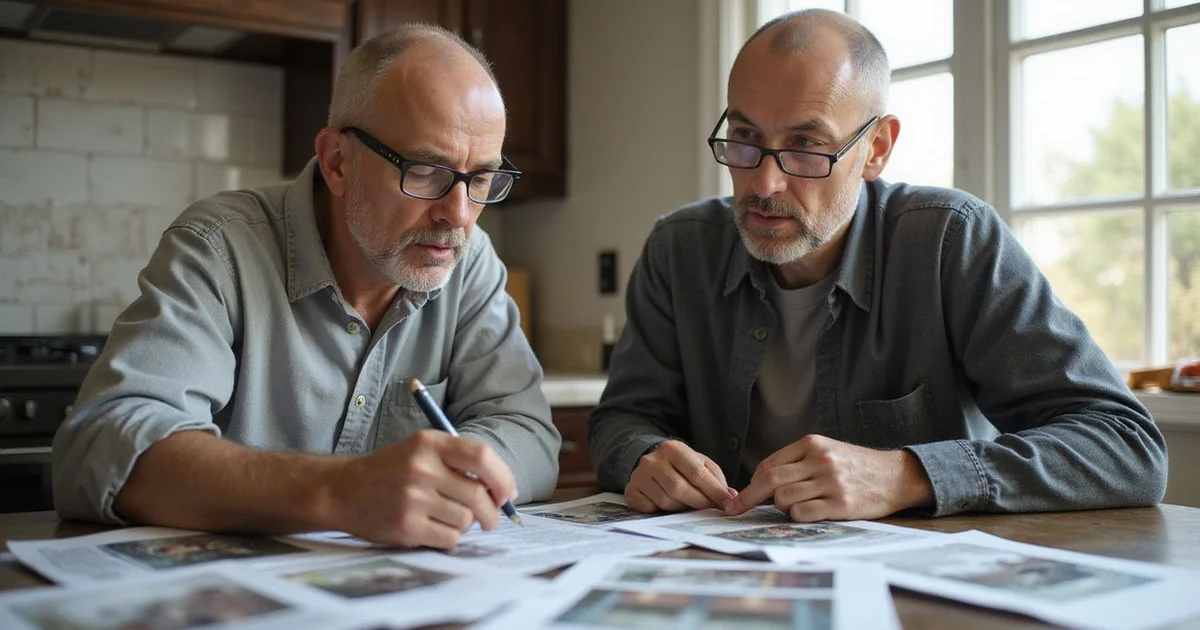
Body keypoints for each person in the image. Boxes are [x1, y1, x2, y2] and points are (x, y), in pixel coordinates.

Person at [588, 9, 1166, 521]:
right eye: (744, 137)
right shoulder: (679, 249)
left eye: (806, 147)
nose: (764, 183)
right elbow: (622, 420)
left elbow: (1126, 448)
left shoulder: (950, 241)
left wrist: (907, 475)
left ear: (877, 148)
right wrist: (642, 455)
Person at [52, 25, 560, 548]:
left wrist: (448, 474)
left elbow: (530, 432)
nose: (458, 215)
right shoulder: (220, 247)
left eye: (481, 178)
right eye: (427, 172)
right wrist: (339, 491)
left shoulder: (468, 262)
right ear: (338, 162)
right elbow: (103, 445)